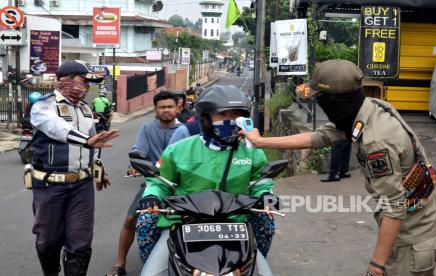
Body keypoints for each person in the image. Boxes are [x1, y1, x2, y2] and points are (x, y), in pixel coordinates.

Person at [240, 59, 436, 276]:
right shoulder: (366, 110)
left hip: (411, 234)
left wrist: (376, 267)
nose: (319, 105)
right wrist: (262, 142)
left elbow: (394, 208)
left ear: (333, 102)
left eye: (319, 99)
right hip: (416, 221)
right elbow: (319, 137)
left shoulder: (376, 142)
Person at [138, 85, 277, 276]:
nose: (230, 121)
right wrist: (152, 196)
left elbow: (262, 181)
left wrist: (266, 196)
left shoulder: (252, 150)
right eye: (222, 115)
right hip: (183, 222)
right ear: (205, 118)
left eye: (235, 115)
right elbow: (159, 182)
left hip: (236, 225)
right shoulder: (179, 149)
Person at [29, 60, 120, 276]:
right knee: (47, 241)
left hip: (82, 185)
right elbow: (56, 127)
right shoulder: (44, 105)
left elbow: (94, 143)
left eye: (89, 83)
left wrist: (99, 169)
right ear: (65, 80)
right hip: (49, 184)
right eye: (82, 81)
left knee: (80, 242)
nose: (86, 87)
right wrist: (86, 141)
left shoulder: (86, 109)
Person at [106, 91, 181, 276]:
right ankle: (120, 264)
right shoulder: (147, 128)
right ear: (155, 109)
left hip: (181, 184)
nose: (166, 111)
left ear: (178, 108)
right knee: (132, 219)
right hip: (154, 181)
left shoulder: (185, 130)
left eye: (170, 107)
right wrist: (135, 166)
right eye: (162, 107)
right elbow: (138, 150)